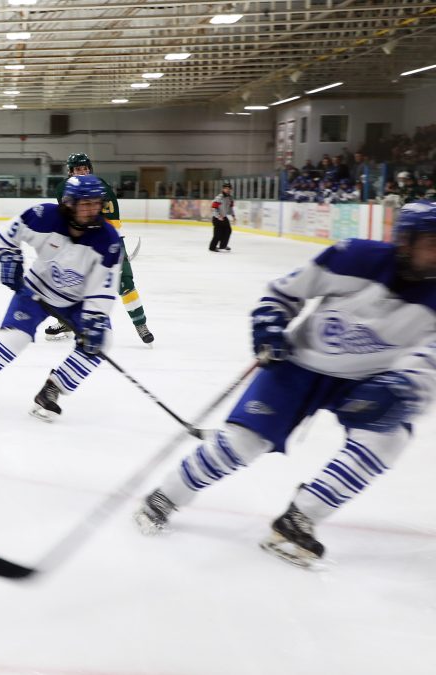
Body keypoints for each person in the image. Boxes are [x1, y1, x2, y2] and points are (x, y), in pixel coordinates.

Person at [135, 200, 436, 568]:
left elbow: (430, 362)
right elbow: (283, 292)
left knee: (389, 438)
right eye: (433, 243)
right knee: (241, 443)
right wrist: (270, 324)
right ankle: (167, 495)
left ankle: (299, 518)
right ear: (405, 241)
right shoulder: (355, 257)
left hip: (366, 380)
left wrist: (406, 388)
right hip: (301, 364)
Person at [0, 175, 121, 422]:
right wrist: (8, 256)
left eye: (96, 203)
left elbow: (103, 286)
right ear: (69, 203)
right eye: (85, 203)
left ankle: (51, 390)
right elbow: (6, 234)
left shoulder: (107, 239)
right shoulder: (44, 215)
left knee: (101, 340)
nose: (92, 209)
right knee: (14, 337)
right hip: (36, 290)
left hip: (79, 301)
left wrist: (96, 318)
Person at [44, 153, 154, 345]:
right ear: (71, 171)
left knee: (125, 282)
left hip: (107, 241)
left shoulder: (102, 187)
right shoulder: (63, 189)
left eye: (85, 168)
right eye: (78, 169)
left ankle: (140, 324)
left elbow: (114, 222)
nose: (83, 171)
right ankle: (67, 322)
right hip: (80, 245)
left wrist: (111, 245)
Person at [209, 181, 234, 252]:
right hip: (217, 218)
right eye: (226, 188)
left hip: (224, 217)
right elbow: (213, 207)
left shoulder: (230, 198)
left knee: (227, 230)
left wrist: (233, 216)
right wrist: (218, 216)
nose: (227, 189)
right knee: (218, 233)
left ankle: (223, 245)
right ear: (223, 189)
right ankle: (212, 247)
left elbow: (230, 208)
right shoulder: (219, 197)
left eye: (229, 188)